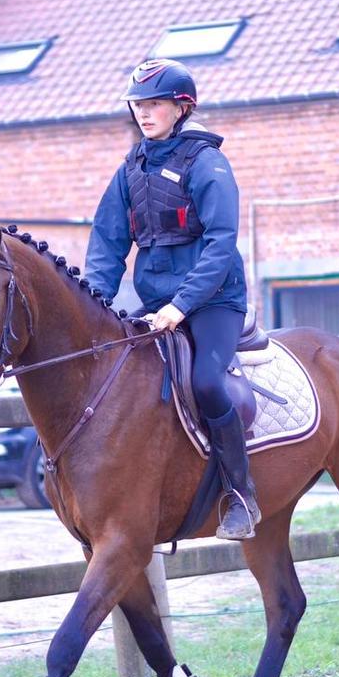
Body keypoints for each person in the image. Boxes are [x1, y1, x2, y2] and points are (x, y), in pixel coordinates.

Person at [84, 58, 260, 540]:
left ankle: (241, 494)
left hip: (213, 302)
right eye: (139, 105)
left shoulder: (208, 164)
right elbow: (106, 243)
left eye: (155, 104)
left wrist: (181, 306)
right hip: (156, 305)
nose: (144, 113)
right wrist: (92, 307)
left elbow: (221, 245)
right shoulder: (130, 170)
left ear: (182, 108)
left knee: (206, 382)